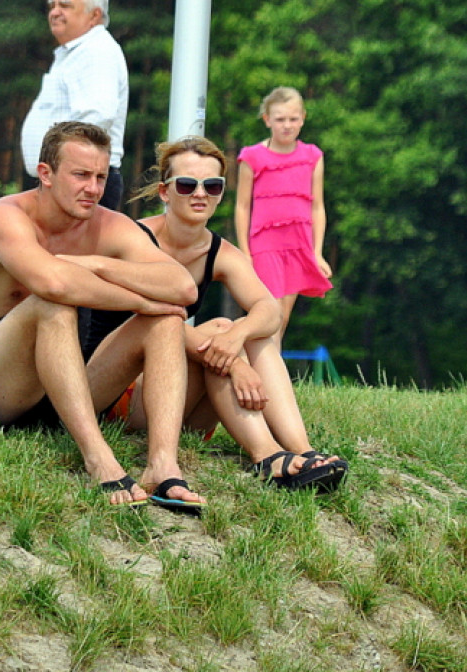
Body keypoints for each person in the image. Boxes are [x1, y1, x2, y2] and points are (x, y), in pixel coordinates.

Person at [0, 121, 206, 512]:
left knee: (167, 321)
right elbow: (53, 282)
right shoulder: (7, 215)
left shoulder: (108, 225)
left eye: (100, 176)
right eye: (81, 175)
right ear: (45, 174)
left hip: (64, 389)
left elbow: (182, 287)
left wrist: (99, 264)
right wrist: (142, 302)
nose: (94, 189)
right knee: (53, 302)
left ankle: (162, 465)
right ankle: (98, 458)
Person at [86, 136, 347, 493]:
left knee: (243, 328)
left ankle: (302, 450)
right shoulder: (133, 238)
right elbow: (157, 323)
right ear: (165, 192)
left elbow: (268, 309)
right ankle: (268, 455)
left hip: (171, 400)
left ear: (221, 192)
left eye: (212, 185)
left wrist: (236, 338)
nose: (200, 194)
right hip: (111, 393)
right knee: (193, 325)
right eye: (186, 184)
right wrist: (235, 363)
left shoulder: (220, 252)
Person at [235, 87, 333, 348]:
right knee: (270, 311)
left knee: (284, 315)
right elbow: (242, 206)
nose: (286, 125)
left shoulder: (313, 156)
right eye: (280, 119)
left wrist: (317, 252)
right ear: (267, 120)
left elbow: (317, 207)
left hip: (298, 244)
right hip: (265, 244)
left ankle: (266, 369)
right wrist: (245, 252)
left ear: (302, 118)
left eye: (292, 119)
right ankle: (263, 374)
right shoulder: (252, 156)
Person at [20, 0, 129, 210]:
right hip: (65, 180)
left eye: (66, 5)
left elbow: (97, 116)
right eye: (53, 5)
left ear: (94, 16)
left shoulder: (97, 51)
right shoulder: (75, 53)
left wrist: (64, 169)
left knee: (74, 249)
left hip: (77, 183)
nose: (55, 12)